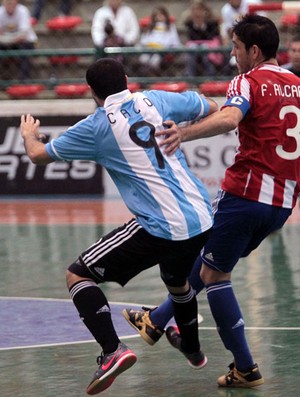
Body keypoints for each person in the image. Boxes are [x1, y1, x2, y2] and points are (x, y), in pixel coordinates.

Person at [19, 58, 218, 395]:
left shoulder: (96, 127)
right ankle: (194, 350)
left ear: (92, 93)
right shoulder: (157, 99)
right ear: (127, 80)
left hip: (161, 226)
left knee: (78, 275)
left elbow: (38, 155)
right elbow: (211, 105)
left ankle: (113, 351)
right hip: (202, 217)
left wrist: (28, 135)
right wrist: (185, 129)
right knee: (177, 281)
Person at [123, 14, 300, 389]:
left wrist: (182, 134)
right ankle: (156, 319)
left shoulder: (248, 80)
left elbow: (230, 117)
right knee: (212, 261)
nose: (232, 54)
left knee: (212, 273)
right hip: (283, 201)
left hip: (246, 192)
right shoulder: (298, 84)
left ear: (253, 51)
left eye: (236, 47)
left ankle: (246, 367)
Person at [182, 0, 224, 77]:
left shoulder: (212, 23)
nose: (196, 12)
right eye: (194, 10)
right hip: (195, 47)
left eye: (199, 10)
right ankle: (191, 78)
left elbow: (213, 37)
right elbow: (191, 38)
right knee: (191, 53)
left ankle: (210, 77)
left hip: (209, 46)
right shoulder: (190, 24)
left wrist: (202, 26)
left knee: (206, 53)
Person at [0, 0, 37, 80]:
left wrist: (6, 38)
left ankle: (25, 80)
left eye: (12, 2)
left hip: (24, 43)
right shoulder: (0, 12)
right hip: (6, 43)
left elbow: (22, 36)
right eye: (7, 2)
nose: (10, 5)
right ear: (3, 3)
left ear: (16, 2)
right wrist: (13, 38)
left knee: (25, 47)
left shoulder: (23, 11)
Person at [139, 6, 181, 75]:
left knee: (155, 61)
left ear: (165, 15)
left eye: (161, 14)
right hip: (150, 50)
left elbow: (174, 41)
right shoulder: (150, 27)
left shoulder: (170, 27)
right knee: (143, 59)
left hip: (163, 51)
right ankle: (148, 77)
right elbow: (143, 40)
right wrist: (149, 44)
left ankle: (156, 77)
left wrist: (163, 45)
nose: (159, 17)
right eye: (157, 15)